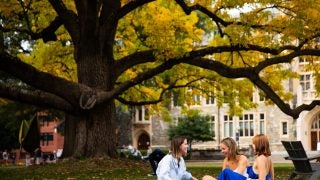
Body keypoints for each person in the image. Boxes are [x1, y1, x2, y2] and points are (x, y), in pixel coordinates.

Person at [203, 134, 274, 180]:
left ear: (259, 144)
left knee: (226, 172)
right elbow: (272, 178)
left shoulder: (260, 159)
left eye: (254, 144)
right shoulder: (268, 158)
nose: (252, 146)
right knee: (206, 177)